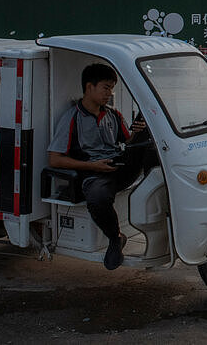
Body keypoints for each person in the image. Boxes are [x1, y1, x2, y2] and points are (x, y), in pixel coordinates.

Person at [48, 63, 147, 270]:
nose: (109, 93)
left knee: (148, 146)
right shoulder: (71, 118)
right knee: (97, 198)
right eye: (106, 87)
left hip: (119, 168)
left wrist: (139, 133)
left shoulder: (113, 115)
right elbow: (54, 159)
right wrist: (92, 165)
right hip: (94, 175)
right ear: (89, 86)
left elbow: (128, 144)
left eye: (111, 88)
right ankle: (115, 239)